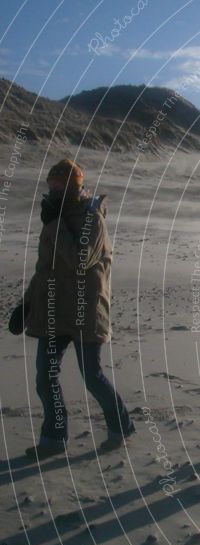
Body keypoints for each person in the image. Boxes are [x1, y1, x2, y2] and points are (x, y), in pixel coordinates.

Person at [18, 159, 135, 459]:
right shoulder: (53, 218)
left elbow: (79, 260)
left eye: (61, 185)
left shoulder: (92, 219)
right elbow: (45, 267)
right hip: (53, 309)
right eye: (51, 185)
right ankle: (54, 438)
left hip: (86, 309)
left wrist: (55, 224)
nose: (54, 190)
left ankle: (120, 426)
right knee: (45, 375)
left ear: (76, 186)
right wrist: (27, 302)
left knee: (92, 375)